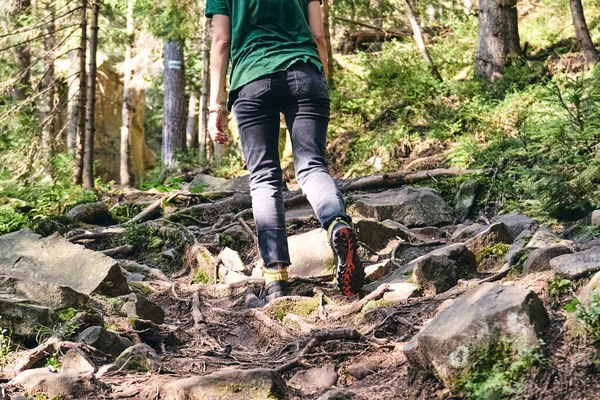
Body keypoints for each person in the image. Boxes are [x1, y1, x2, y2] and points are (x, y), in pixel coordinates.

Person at [206, 0, 363, 302]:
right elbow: (318, 35)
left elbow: (221, 40)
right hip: (304, 73)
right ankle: (337, 223)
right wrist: (321, 79)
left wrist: (215, 106)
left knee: (264, 179)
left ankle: (276, 277)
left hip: (251, 81)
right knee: (312, 167)